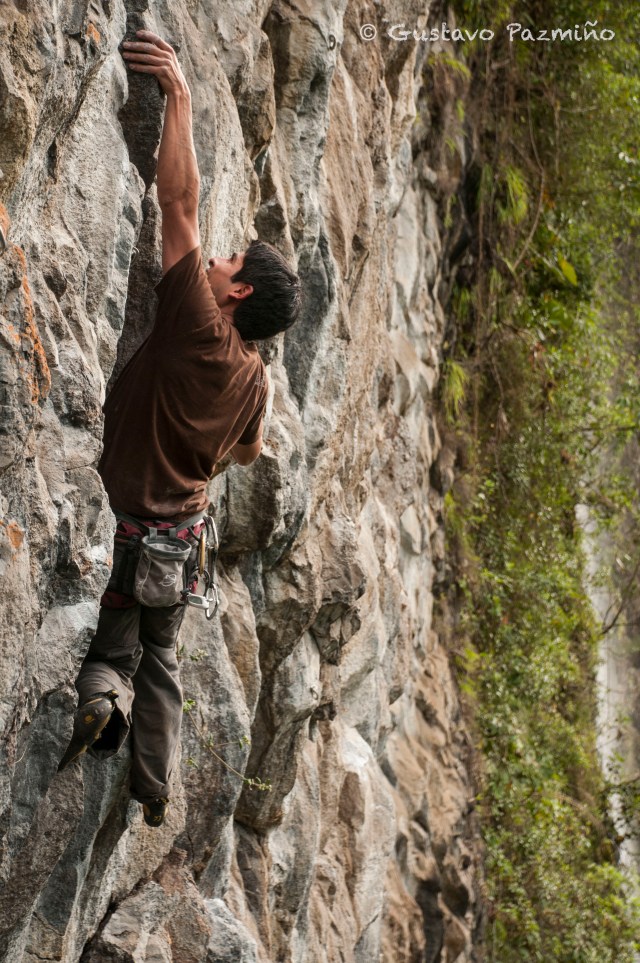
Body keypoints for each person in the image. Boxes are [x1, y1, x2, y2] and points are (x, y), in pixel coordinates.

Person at [58, 30, 301, 828]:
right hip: (183, 537)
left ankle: (100, 701)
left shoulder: (196, 317)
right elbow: (249, 451)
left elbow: (179, 205)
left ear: (233, 296)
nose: (217, 259)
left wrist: (182, 99)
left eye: (228, 261)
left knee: (114, 646)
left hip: (127, 524)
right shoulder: (255, 381)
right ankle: (153, 786)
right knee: (161, 654)